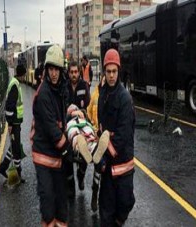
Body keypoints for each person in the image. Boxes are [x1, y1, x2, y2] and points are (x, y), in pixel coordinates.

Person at [30, 45, 69, 227]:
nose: (54, 74)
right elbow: (53, 130)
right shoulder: (44, 93)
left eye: (57, 69)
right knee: (47, 202)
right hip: (44, 154)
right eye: (51, 69)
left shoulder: (61, 90)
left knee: (62, 203)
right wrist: (69, 149)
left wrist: (74, 113)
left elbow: (62, 116)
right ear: (46, 70)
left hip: (57, 155)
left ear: (61, 71)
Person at [98, 49, 136, 226]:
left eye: (114, 71)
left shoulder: (125, 99)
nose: (111, 75)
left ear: (118, 71)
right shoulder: (102, 95)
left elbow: (123, 135)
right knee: (105, 210)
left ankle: (119, 221)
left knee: (126, 202)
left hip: (122, 165)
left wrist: (104, 154)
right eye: (108, 71)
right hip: (107, 167)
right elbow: (101, 126)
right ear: (104, 72)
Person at [65, 61, 91, 196]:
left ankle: (81, 175)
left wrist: (80, 112)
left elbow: (87, 104)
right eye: (72, 72)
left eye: (76, 72)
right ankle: (70, 184)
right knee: (67, 154)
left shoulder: (84, 86)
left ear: (79, 72)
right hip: (68, 123)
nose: (74, 74)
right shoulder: (65, 86)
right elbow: (62, 105)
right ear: (68, 73)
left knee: (84, 152)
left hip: (81, 122)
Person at [0, 64, 26, 185]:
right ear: (22, 75)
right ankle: (17, 175)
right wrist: (9, 123)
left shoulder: (15, 83)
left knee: (15, 146)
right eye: (24, 75)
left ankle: (3, 168)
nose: (25, 77)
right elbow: (10, 106)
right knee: (16, 149)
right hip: (13, 123)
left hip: (15, 122)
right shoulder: (15, 85)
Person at [86, 74, 106, 212]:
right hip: (95, 135)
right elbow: (88, 113)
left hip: (107, 138)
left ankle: (103, 199)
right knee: (98, 167)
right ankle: (95, 194)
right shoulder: (94, 96)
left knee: (106, 171)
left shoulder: (113, 97)